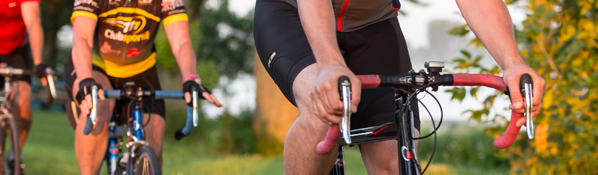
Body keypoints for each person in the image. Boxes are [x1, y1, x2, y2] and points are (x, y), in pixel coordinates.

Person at [253, 0, 546, 173]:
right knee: (321, 113)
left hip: (373, 24)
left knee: (396, 158)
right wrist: (330, 62)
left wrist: (512, 62)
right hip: (293, 14)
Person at [66, 0, 222, 174]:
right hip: (95, 66)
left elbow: (181, 41)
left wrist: (190, 78)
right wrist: (85, 80)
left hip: (141, 70)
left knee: (153, 148)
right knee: (99, 106)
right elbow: (82, 38)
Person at [0, 0, 47, 171]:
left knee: (23, 103)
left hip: (16, 51)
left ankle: (15, 155)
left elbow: (33, 22)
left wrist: (38, 62)